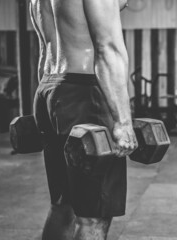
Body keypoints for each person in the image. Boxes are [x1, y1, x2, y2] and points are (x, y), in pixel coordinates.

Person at [29, 0, 137, 239]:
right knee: (93, 217)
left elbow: (46, 48)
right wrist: (123, 121)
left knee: (62, 206)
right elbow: (108, 48)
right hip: (85, 96)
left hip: (50, 87)